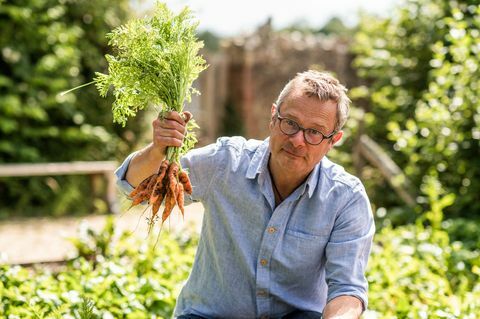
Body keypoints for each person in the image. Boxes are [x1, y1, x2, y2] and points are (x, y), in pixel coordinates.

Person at [115, 70, 375, 319]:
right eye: (291, 123)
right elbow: (137, 187)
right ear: (274, 117)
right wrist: (158, 149)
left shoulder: (346, 198)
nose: (298, 140)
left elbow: (347, 289)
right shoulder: (225, 163)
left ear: (333, 140)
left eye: (315, 132)